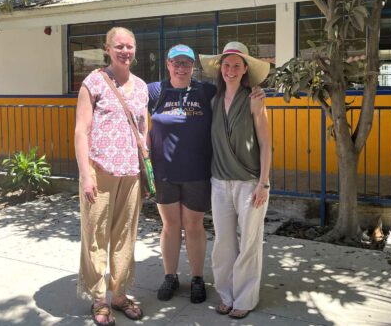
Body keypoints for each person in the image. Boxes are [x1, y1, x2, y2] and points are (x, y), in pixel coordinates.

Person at [74, 27, 148, 326]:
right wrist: (85, 175)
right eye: (119, 46)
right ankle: (98, 298)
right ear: (107, 48)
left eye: (129, 46)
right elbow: (81, 131)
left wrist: (145, 169)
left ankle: (118, 294)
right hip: (100, 171)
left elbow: (144, 130)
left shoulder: (142, 86)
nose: (125, 51)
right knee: (95, 236)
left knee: (125, 237)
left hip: (131, 172)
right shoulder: (93, 83)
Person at [199, 41, 272, 320]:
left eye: (236, 66)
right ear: (221, 69)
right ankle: (227, 294)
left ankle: (245, 297)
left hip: (249, 182)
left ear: (245, 70)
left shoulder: (254, 99)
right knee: (224, 243)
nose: (230, 70)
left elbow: (266, 144)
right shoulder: (214, 101)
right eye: (226, 65)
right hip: (219, 182)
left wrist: (263, 182)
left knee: (250, 243)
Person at [147, 44, 217, 304]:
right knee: (170, 225)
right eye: (176, 62)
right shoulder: (155, 91)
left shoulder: (205, 91)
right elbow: (127, 100)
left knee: (194, 226)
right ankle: (170, 276)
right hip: (164, 172)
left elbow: (233, 95)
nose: (181, 67)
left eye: (186, 63)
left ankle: (198, 278)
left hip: (197, 172)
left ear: (193, 67)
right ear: (167, 64)